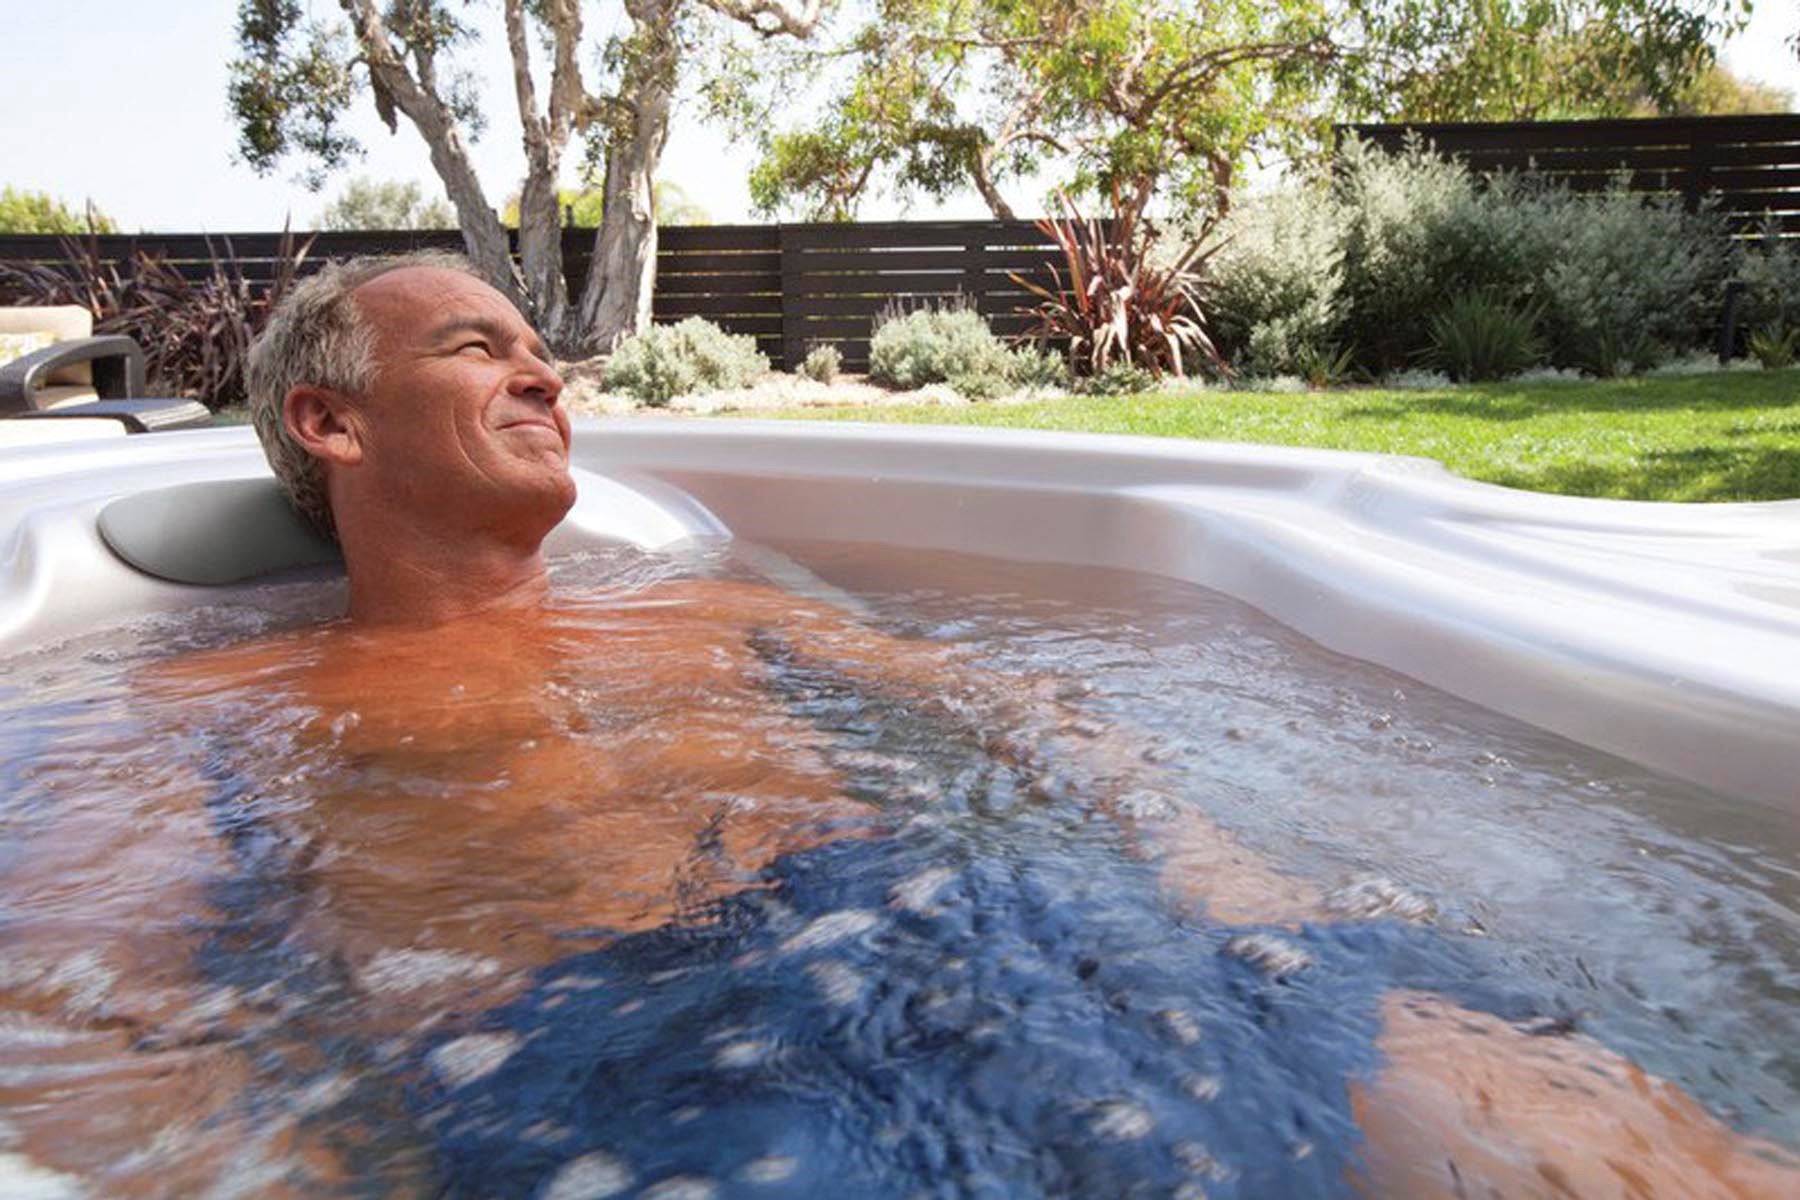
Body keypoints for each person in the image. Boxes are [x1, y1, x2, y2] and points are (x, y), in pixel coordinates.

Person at [0, 252, 1792, 1198]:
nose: (547, 371)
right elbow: (101, 989)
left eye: (540, 343)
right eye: (478, 348)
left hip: (982, 920)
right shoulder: (221, 698)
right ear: (329, 426)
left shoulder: (722, 606)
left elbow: (1017, 707)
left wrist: (1207, 857)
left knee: (1537, 1104)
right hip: (622, 1041)